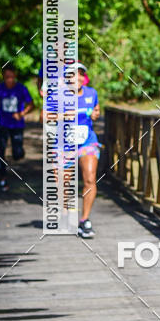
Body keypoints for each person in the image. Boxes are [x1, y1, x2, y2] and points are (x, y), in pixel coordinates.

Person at [64, 62, 101, 239]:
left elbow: (96, 110)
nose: (77, 78)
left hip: (87, 141)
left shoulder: (91, 93)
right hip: (64, 144)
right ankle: (65, 213)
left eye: (80, 74)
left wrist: (95, 114)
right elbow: (44, 117)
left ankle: (84, 220)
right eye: (73, 74)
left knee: (90, 177)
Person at [0, 65, 34, 191]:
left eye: (12, 77)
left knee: (17, 154)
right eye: (7, 77)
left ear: (15, 76)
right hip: (3, 125)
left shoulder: (21, 89)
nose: (10, 80)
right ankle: (3, 179)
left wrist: (21, 114)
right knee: (0, 152)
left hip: (17, 125)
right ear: (3, 77)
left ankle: (19, 152)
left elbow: (31, 104)